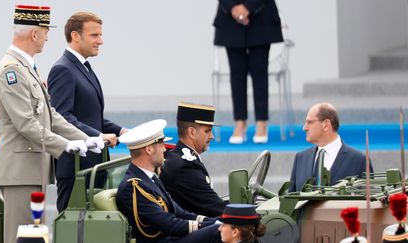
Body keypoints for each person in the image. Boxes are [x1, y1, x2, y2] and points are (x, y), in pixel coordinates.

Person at [0, 5, 104, 243]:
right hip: (19, 171)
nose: (47, 37)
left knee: (34, 235)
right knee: (20, 236)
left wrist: (83, 137)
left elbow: (50, 114)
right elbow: (26, 123)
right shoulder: (11, 71)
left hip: (32, 169)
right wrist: (65, 145)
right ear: (34, 34)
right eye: (44, 31)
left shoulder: (25, 68)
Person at [47, 12, 126, 212]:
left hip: (93, 166)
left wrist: (121, 131)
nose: (101, 41)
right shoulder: (63, 69)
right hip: (76, 168)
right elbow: (62, 117)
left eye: (100, 35)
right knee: (72, 230)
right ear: (75, 36)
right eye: (94, 35)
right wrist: (99, 136)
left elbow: (91, 116)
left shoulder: (83, 67)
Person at [116, 119, 222, 243]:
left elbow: (181, 214)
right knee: (220, 232)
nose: (164, 149)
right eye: (161, 144)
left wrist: (217, 221)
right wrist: (216, 226)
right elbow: (170, 225)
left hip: (171, 238)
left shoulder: (150, 178)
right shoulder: (133, 186)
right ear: (149, 149)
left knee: (228, 227)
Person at [213, 0, 284, 144]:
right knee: (237, 73)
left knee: (259, 72)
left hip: (261, 17)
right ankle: (240, 122)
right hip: (229, 19)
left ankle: (261, 122)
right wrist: (234, 9)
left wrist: (247, 7)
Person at [288, 103, 374, 192]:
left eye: (310, 122)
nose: (304, 128)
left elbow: (370, 201)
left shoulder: (359, 161)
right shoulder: (300, 158)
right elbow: (290, 200)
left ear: (326, 124)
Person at [160, 102, 225, 217]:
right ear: (192, 132)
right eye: (207, 131)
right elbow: (215, 206)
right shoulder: (185, 167)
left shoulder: (182, 158)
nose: (212, 136)